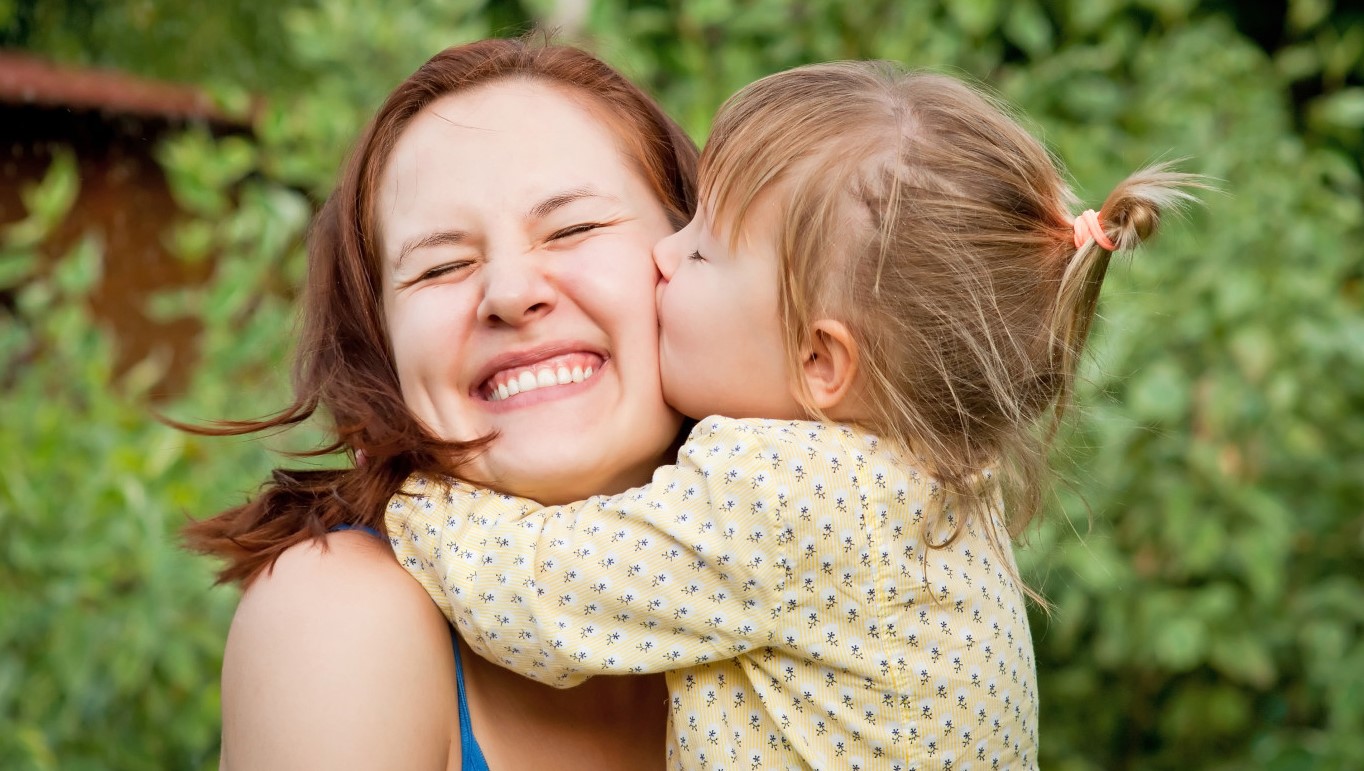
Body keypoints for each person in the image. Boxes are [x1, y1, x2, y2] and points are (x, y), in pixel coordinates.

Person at [386, 62, 1201, 769]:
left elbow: (537, 599)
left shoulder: (785, 493)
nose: (663, 255)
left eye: (703, 250)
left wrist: (412, 495)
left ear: (821, 361)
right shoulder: (943, 481)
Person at [184, 38, 700, 769]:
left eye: (573, 227)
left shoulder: (853, 545)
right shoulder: (335, 614)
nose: (513, 293)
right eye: (442, 265)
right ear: (380, 351)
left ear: (699, 257)